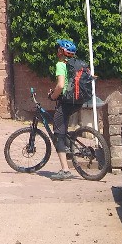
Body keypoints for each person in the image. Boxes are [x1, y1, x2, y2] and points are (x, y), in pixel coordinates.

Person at [48, 38, 82, 179]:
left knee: (58, 134)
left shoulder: (61, 65)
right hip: (77, 101)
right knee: (63, 127)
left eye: (58, 48)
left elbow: (61, 85)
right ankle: (69, 146)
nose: (57, 50)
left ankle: (65, 170)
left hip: (66, 102)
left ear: (61, 51)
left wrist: (52, 96)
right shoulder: (77, 64)